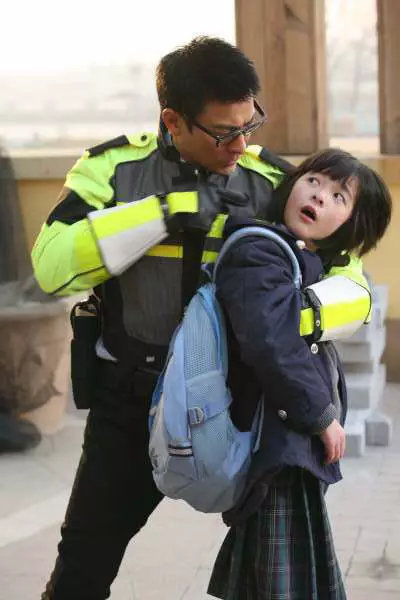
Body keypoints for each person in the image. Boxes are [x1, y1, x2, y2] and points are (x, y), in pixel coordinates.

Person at [32, 37, 372, 600]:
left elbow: (355, 288)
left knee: (277, 578)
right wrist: (161, 214)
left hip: (243, 408)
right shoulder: (111, 170)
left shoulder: (273, 181)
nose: (241, 144)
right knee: (82, 569)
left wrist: (291, 319)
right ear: (173, 120)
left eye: (249, 124)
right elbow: (51, 266)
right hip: (131, 400)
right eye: (223, 133)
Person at [207, 148, 392, 600]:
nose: (319, 195)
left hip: (287, 445)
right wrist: (320, 416)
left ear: (351, 227)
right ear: (291, 185)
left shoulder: (299, 257)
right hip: (275, 443)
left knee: (271, 579)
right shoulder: (258, 250)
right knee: (282, 582)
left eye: (338, 196)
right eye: (313, 181)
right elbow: (272, 344)